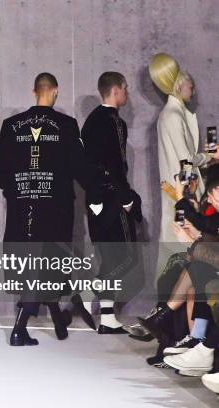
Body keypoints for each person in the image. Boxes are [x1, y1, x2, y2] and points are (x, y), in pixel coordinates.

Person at [0, 72, 96, 346]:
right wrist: (97, 191)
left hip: (21, 205)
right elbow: (79, 167)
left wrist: (14, 190)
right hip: (55, 206)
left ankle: (55, 317)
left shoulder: (11, 125)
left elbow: (1, 170)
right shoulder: (66, 124)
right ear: (55, 91)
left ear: (34, 90)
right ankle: (20, 327)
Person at [77, 72, 142, 334]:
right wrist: (126, 199)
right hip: (113, 198)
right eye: (125, 88)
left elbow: (82, 166)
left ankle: (106, 317)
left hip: (95, 200)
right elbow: (116, 165)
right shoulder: (114, 122)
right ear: (115, 90)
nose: (127, 93)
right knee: (127, 256)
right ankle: (89, 292)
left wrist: (93, 198)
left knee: (110, 257)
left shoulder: (89, 122)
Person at [150, 53, 219, 243]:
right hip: (180, 193)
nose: (193, 91)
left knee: (184, 245)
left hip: (182, 192)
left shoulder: (174, 114)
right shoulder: (172, 115)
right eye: (191, 86)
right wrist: (209, 157)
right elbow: (186, 161)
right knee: (181, 245)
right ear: (179, 86)